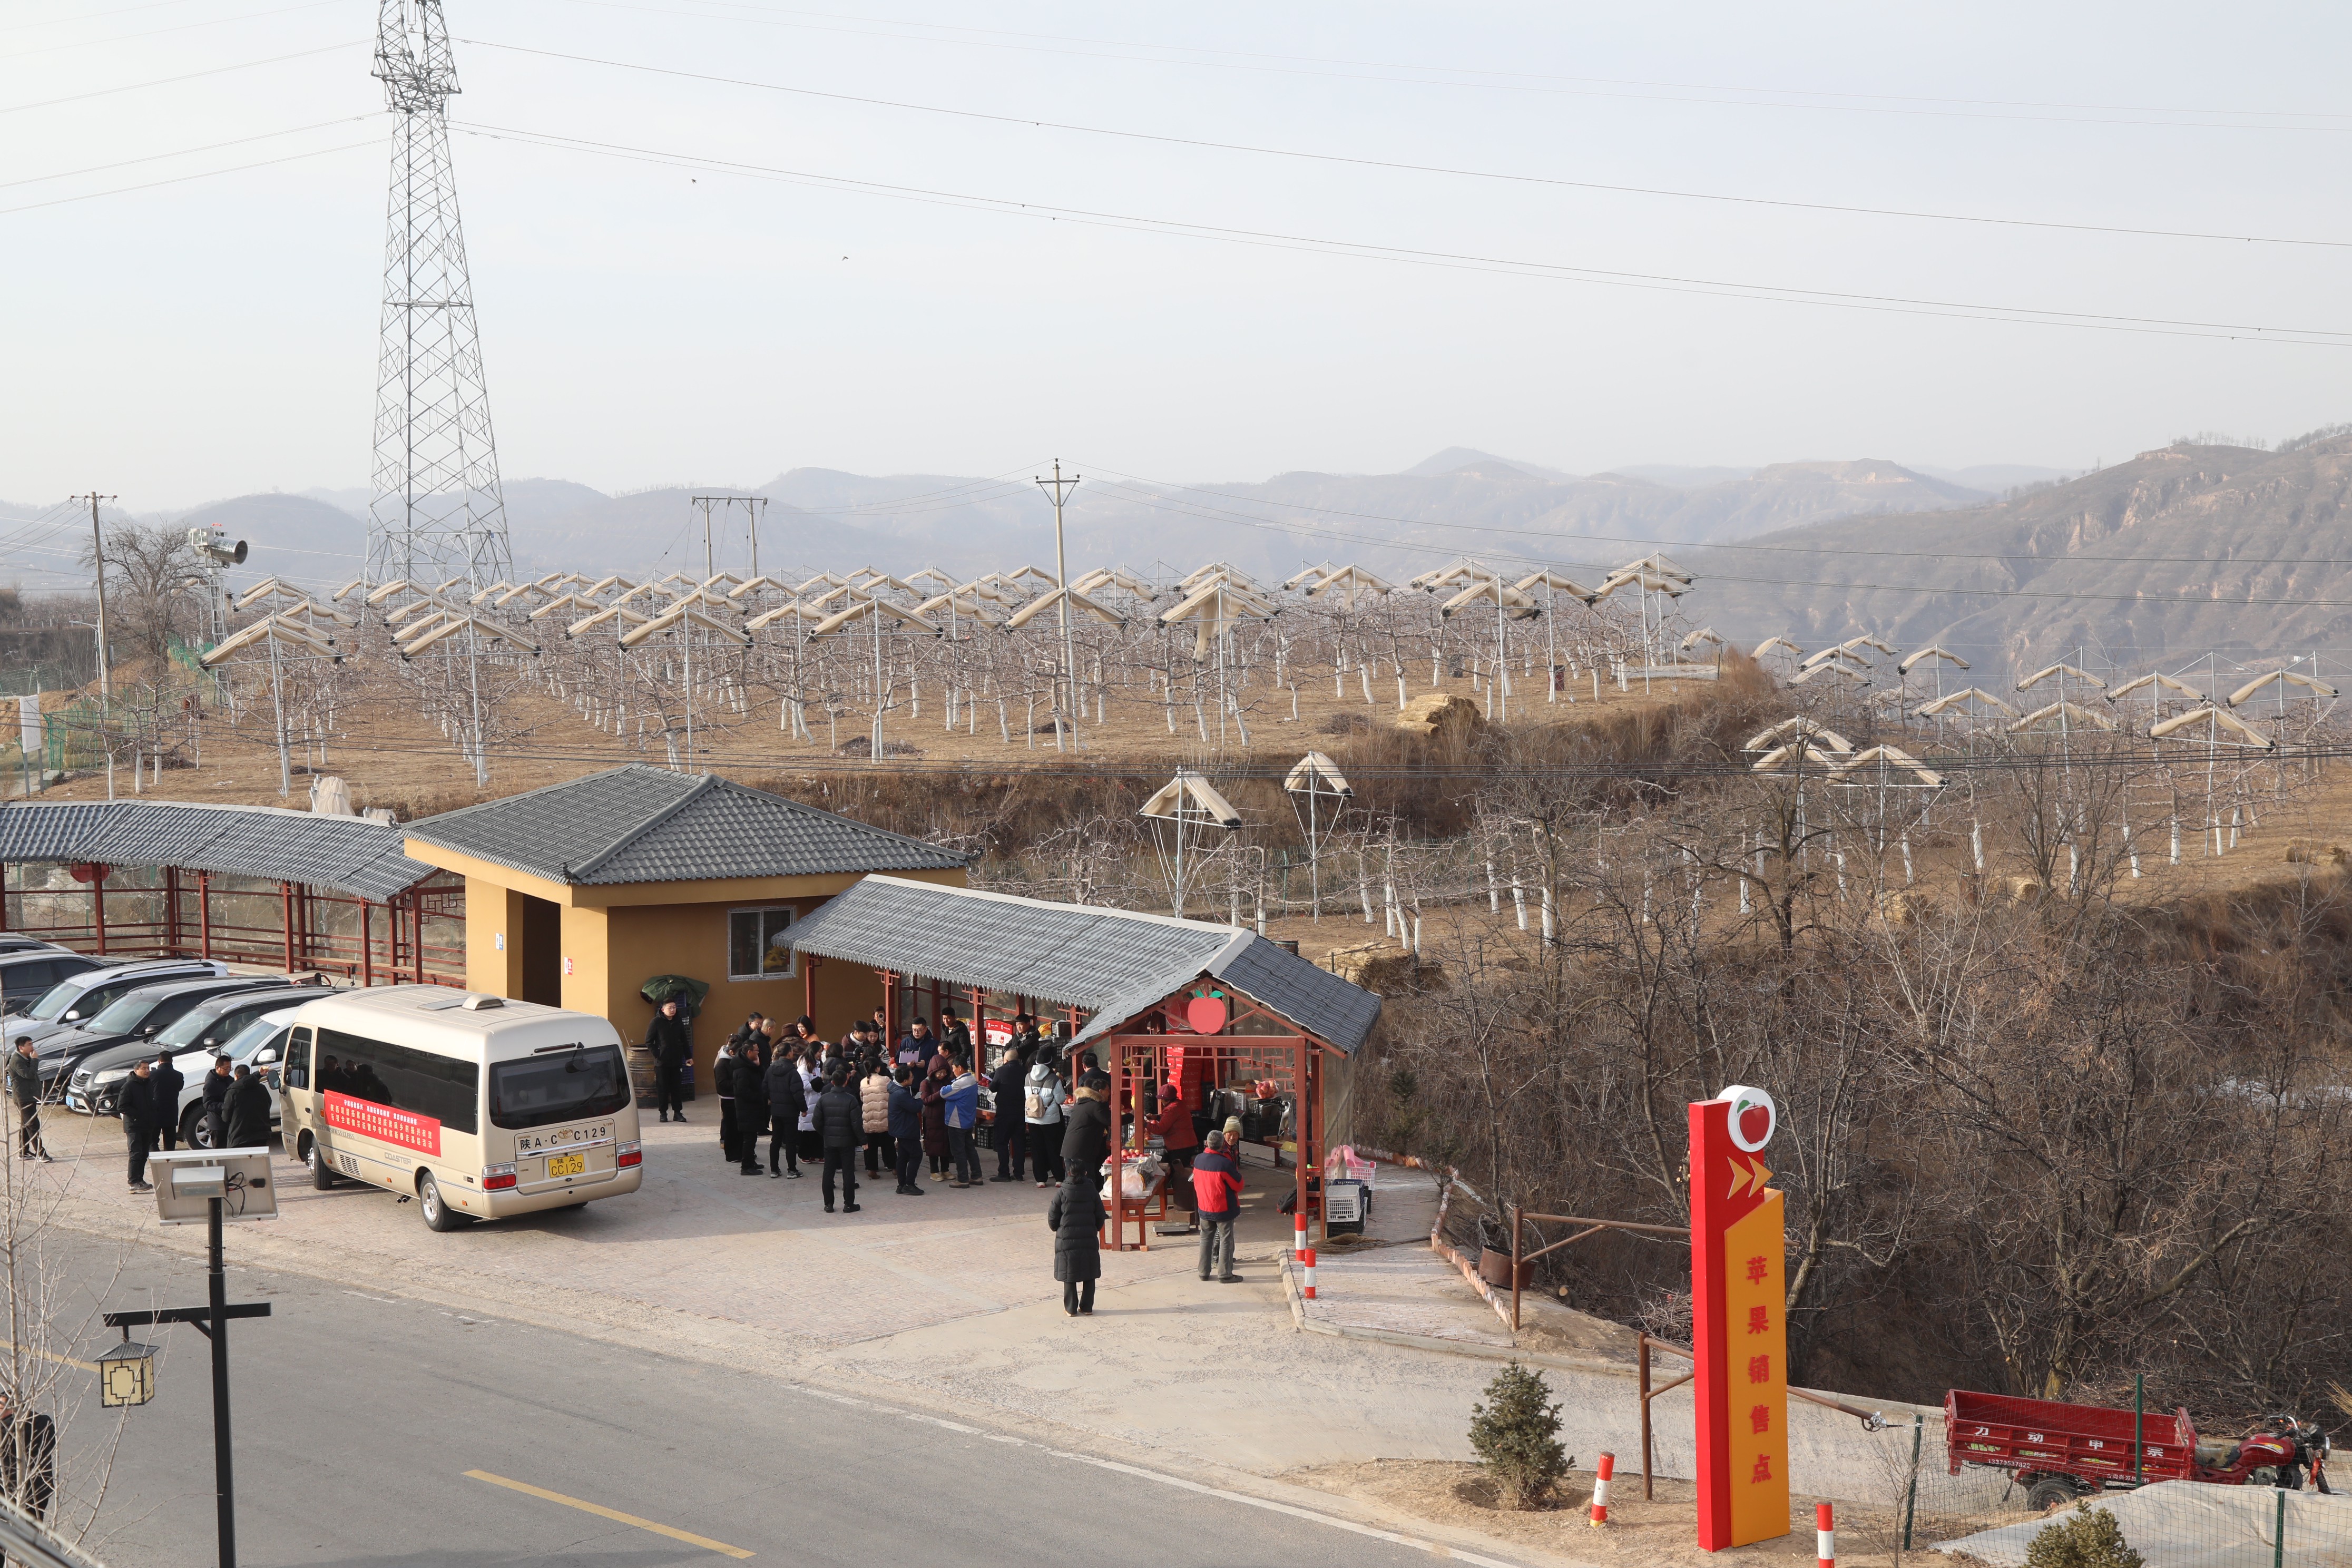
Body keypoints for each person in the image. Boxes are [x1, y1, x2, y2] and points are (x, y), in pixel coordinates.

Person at [1191, 1130, 1246, 1282]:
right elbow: (1239, 1185)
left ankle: (1203, 1272)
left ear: (1207, 1143)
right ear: (1222, 1144)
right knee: (1226, 1239)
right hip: (1223, 1208)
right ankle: (1225, 1274)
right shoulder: (1224, 1163)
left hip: (1204, 1207)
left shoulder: (1198, 1160)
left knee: (1206, 1238)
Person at [1046, 1174, 1104, 1316]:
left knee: (1069, 1272)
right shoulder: (1092, 1191)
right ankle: (1087, 1307)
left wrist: (1058, 1229)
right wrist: (1094, 1228)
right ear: (1086, 1173)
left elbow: (1053, 1215)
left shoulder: (1062, 1191)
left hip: (1067, 1238)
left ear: (1069, 1174)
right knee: (1089, 1271)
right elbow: (1100, 1214)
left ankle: (1071, 1308)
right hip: (1088, 1237)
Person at [1146, 1076, 1201, 1218]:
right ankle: (1184, 1200)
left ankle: (1183, 1202)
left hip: (1179, 1145)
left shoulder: (1171, 1110)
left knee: (1179, 1174)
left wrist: (1145, 1124)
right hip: (1186, 1143)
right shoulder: (1179, 1105)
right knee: (1180, 1172)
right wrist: (1158, 1117)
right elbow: (1169, 1120)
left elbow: (1161, 1129)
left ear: (1165, 1100)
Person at [0, 1389, 56, 1524]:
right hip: (39, 1492)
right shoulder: (44, 1423)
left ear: (14, 1410)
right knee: (31, 1536)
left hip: (11, 1494)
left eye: (1, 1407)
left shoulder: (6, 1431)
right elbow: (52, 1442)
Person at [815, 1067, 863, 1213]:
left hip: (829, 1141)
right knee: (848, 1172)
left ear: (832, 1082)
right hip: (847, 1141)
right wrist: (862, 1140)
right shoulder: (851, 1099)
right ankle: (849, 1204)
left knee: (828, 1171)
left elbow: (816, 1121)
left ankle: (828, 1203)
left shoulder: (823, 1099)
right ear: (846, 1081)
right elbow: (857, 1123)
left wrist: (825, 1133)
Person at [1024, 1047, 1066, 1189]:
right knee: (1054, 1148)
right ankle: (1059, 1178)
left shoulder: (1028, 1077)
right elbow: (1061, 1099)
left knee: (1037, 1148)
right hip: (1051, 1120)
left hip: (1032, 1119)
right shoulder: (1053, 1079)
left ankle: (1040, 1179)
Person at [643, 996, 690, 1122]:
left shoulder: (679, 1021)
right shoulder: (656, 1022)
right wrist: (658, 1054)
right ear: (663, 1009)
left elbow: (684, 1040)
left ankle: (678, 1113)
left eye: (675, 1007)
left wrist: (688, 1057)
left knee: (676, 1088)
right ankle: (663, 1113)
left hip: (676, 1060)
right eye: (670, 1008)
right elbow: (649, 1042)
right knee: (662, 1088)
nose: (673, 1010)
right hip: (662, 1062)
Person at [1062, 1073, 1110, 1194]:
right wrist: (1133, 1114)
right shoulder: (1096, 1105)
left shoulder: (1082, 1102)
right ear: (1101, 1091)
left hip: (1071, 1148)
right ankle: (1092, 1211)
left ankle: (1068, 1206)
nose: (1110, 1093)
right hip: (1082, 1150)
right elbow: (1110, 1121)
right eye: (1108, 1090)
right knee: (1088, 1182)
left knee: (1070, 1183)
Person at [987, 1043, 1029, 1182]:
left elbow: (993, 1088)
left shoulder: (1001, 1071)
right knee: (1019, 1143)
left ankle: (1003, 1173)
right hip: (1019, 1113)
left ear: (1006, 1060)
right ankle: (1019, 1173)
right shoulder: (1025, 1072)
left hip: (1004, 1112)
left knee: (1002, 1143)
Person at [764, 1041, 804, 1178]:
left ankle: (774, 1170)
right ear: (789, 1054)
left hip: (775, 1111)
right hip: (790, 1112)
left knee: (776, 1140)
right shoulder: (793, 1072)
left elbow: (764, 1088)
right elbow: (798, 1093)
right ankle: (792, 1170)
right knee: (790, 1141)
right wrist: (803, 1109)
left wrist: (770, 1100)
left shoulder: (770, 1069)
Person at [732, 1037, 770, 1177]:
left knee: (753, 1137)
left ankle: (751, 1162)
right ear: (749, 1052)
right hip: (747, 1110)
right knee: (749, 1139)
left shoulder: (751, 1065)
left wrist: (759, 1066)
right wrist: (759, 1097)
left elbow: (762, 1076)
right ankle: (746, 1166)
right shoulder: (742, 1069)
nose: (758, 1053)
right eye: (756, 1051)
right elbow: (742, 1092)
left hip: (753, 1109)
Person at [940, 1058, 981, 1188]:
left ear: (960, 1068)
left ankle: (963, 1178)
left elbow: (944, 1093)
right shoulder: (972, 1080)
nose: (952, 1071)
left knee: (958, 1151)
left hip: (957, 1121)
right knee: (970, 1149)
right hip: (968, 1120)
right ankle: (977, 1175)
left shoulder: (960, 1084)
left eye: (953, 1068)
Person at [121, 1059, 160, 1192]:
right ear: (136, 1070)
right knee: (136, 1154)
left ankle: (140, 1180)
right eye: (144, 1068)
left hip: (147, 1125)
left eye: (148, 1068)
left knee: (144, 1154)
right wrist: (138, 1114)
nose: (147, 1071)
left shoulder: (148, 1084)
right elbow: (122, 1106)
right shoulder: (129, 1086)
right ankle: (133, 1182)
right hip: (134, 1126)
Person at [887, 1064, 925, 1195]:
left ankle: (902, 1184)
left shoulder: (897, 1089)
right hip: (906, 1129)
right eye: (911, 1077)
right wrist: (921, 1099)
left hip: (901, 1128)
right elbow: (915, 1107)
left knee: (903, 1157)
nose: (913, 1078)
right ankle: (909, 1184)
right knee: (916, 1155)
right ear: (904, 1081)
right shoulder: (900, 1093)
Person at [9, 1037, 47, 1163]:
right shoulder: (16, 1061)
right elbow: (29, 1075)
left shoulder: (25, 1058)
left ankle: (24, 1152)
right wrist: (35, 1059)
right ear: (21, 1048)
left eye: (32, 1044)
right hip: (23, 1099)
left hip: (30, 1096)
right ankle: (41, 1154)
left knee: (26, 1125)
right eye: (29, 1045)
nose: (32, 1047)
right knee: (33, 1125)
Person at [858, 1057, 895, 1178]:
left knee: (870, 1146)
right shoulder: (886, 1080)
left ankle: (871, 1170)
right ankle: (893, 1167)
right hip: (884, 1117)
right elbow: (892, 1095)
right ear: (878, 1068)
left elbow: (862, 1098)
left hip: (869, 1118)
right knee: (888, 1144)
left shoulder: (863, 1082)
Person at [224, 1063, 272, 1150]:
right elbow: (269, 1103)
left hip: (239, 1136)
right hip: (261, 1134)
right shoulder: (262, 1089)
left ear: (236, 1076)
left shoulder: (232, 1092)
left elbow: (226, 1117)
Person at [919, 1058, 950, 1180]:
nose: (942, 1075)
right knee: (933, 1145)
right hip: (932, 1118)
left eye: (944, 1072)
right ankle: (934, 1171)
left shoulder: (948, 1081)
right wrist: (941, 1094)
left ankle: (945, 1170)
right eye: (939, 1072)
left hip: (946, 1117)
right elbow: (925, 1100)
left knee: (946, 1144)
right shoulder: (926, 1083)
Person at [150, 1050, 184, 1152]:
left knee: (152, 1140)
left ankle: (156, 1160)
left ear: (159, 1061)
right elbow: (179, 1087)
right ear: (172, 1061)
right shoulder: (178, 1075)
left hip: (156, 1110)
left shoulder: (153, 1075)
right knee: (170, 1140)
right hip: (171, 1110)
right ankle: (169, 1161)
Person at [713, 1037, 740, 1164]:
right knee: (730, 1129)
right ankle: (731, 1154)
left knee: (739, 1128)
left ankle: (740, 1152)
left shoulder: (736, 1062)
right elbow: (722, 1085)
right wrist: (739, 1082)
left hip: (738, 1099)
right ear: (732, 1052)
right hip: (728, 1100)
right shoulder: (722, 1065)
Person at [201, 1055, 233, 1149]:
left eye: (230, 1068)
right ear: (218, 1068)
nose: (228, 1070)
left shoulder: (227, 1078)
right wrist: (226, 1106)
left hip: (227, 1122)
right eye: (226, 1068)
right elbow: (208, 1104)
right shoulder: (211, 1083)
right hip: (217, 1125)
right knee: (220, 1151)